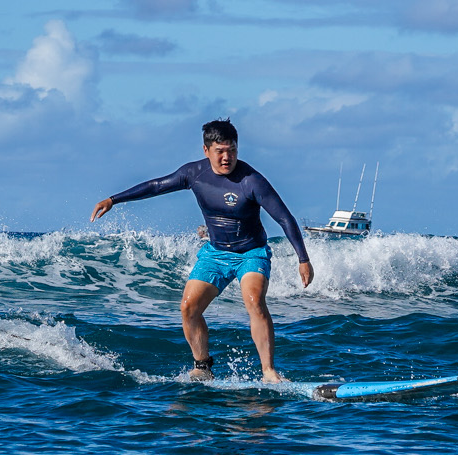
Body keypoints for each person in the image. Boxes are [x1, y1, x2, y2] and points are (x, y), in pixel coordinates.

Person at [90, 119, 313, 383]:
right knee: (188, 307)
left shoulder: (252, 181)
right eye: (220, 151)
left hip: (251, 253)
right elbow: (156, 186)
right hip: (215, 253)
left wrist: (303, 259)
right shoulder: (194, 173)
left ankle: (268, 372)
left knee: (254, 300)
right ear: (206, 150)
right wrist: (113, 199)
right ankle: (202, 366)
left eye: (232, 150)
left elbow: (285, 218)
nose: (227, 157)